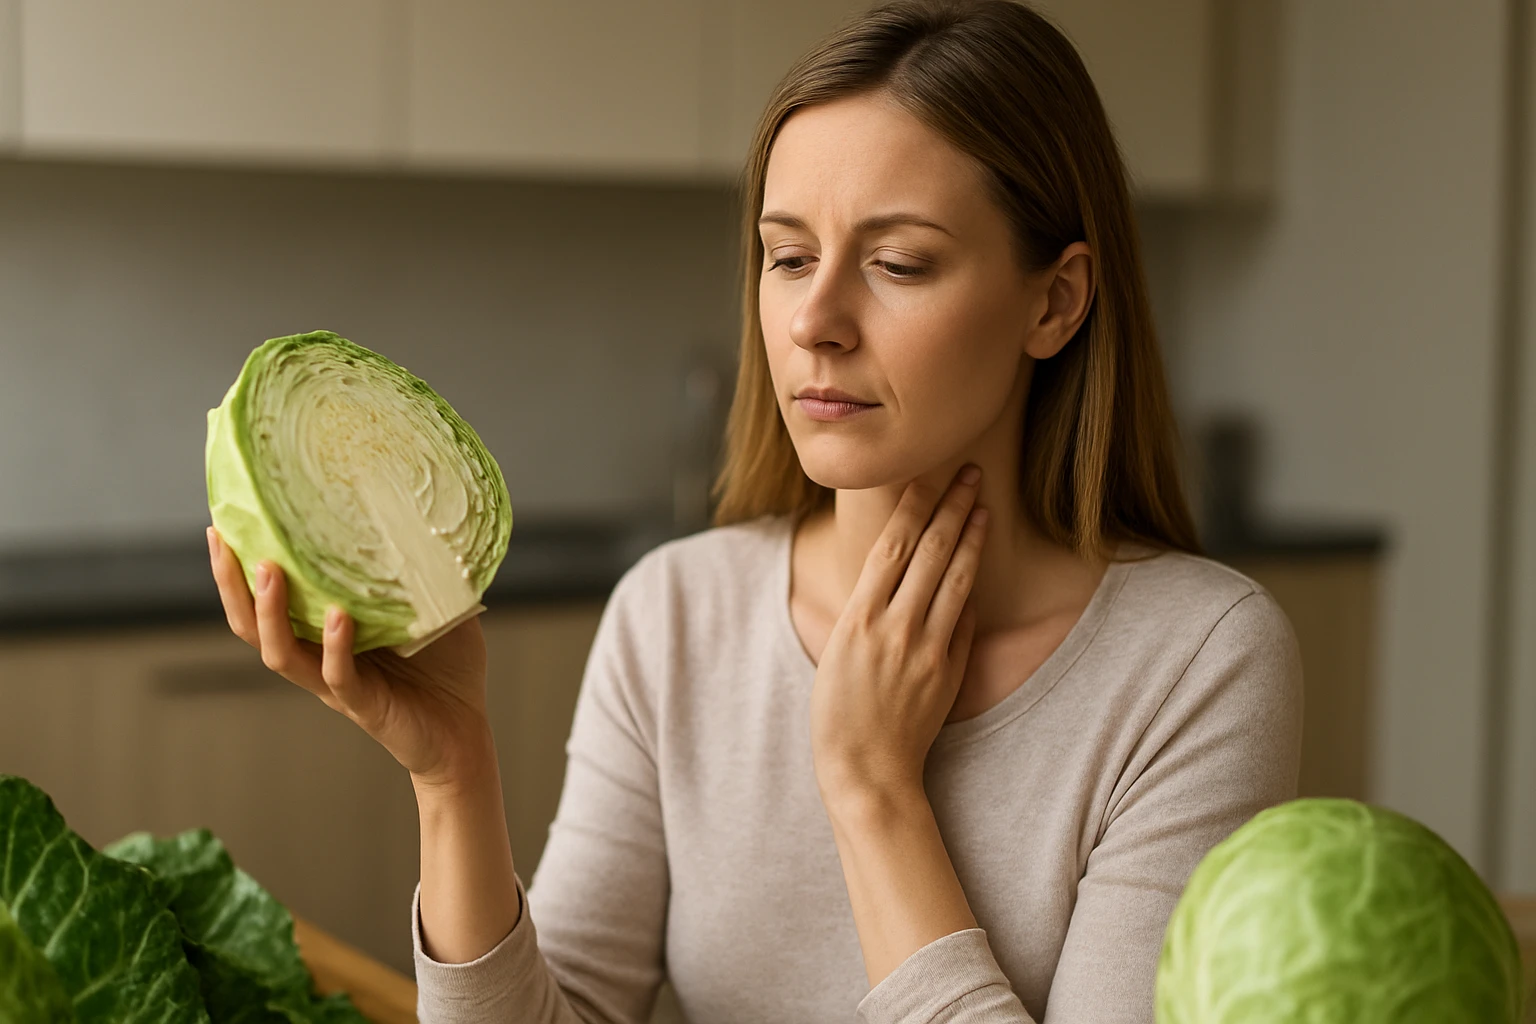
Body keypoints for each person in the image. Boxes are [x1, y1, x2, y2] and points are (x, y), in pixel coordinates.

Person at [207, 0, 1303, 1020]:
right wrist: (454, 776)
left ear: (1054, 301)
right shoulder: (677, 612)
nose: (815, 319)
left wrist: (873, 788)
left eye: (899, 262)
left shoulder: (1197, 660)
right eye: (788, 256)